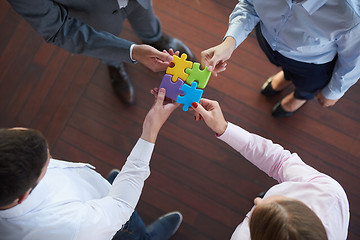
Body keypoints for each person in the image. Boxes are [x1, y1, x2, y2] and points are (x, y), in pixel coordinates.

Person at [0, 88, 182, 240]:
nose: (52, 160)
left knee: (110, 187)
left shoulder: (12, 188)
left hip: (89, 195)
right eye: (47, 164)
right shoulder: (72, 227)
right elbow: (121, 205)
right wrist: (151, 128)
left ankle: (107, 187)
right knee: (130, 230)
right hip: (111, 223)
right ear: (24, 196)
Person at [190, 99, 349, 239]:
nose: (257, 200)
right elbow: (279, 161)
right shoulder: (330, 195)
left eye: (256, 217)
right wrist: (224, 128)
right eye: (284, 200)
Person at [7, 0, 194, 104]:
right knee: (106, 43)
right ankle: (114, 62)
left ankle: (154, 37)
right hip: (92, 20)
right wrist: (130, 52)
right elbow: (58, 28)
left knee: (146, 17)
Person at [201, 0, 360, 117]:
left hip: (312, 63)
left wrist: (333, 92)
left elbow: (353, 61)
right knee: (282, 66)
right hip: (268, 40)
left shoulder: (352, 15)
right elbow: (250, 4)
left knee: (307, 87)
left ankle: (300, 96)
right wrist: (230, 42)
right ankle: (287, 76)